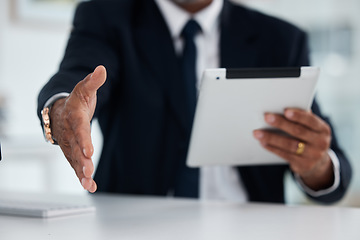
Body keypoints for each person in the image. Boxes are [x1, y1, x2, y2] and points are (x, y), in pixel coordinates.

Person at [37, 0, 351, 203]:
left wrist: (316, 164)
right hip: (134, 226)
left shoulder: (281, 39)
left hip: (251, 225)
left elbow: (332, 169)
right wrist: (63, 107)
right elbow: (77, 77)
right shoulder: (106, 18)